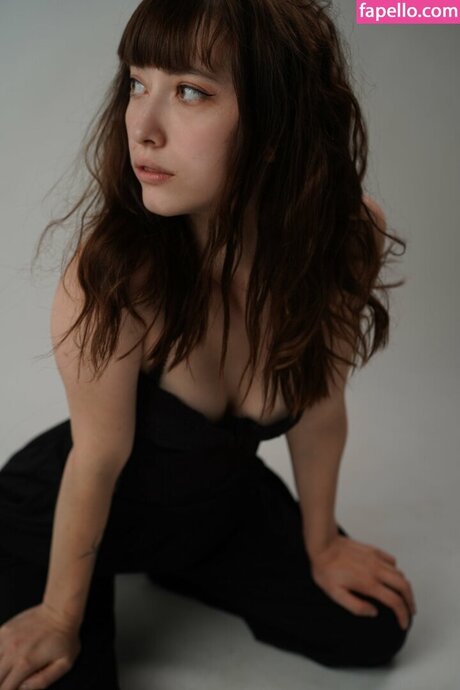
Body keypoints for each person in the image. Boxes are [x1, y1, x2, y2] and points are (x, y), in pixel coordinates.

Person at [0, 0, 416, 687]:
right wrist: (58, 615)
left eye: (191, 92)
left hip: (218, 509)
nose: (143, 126)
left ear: (276, 124)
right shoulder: (113, 275)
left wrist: (322, 544)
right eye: (138, 83)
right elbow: (97, 460)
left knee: (374, 628)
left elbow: (319, 408)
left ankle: (181, 564)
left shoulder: (343, 239)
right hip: (62, 516)